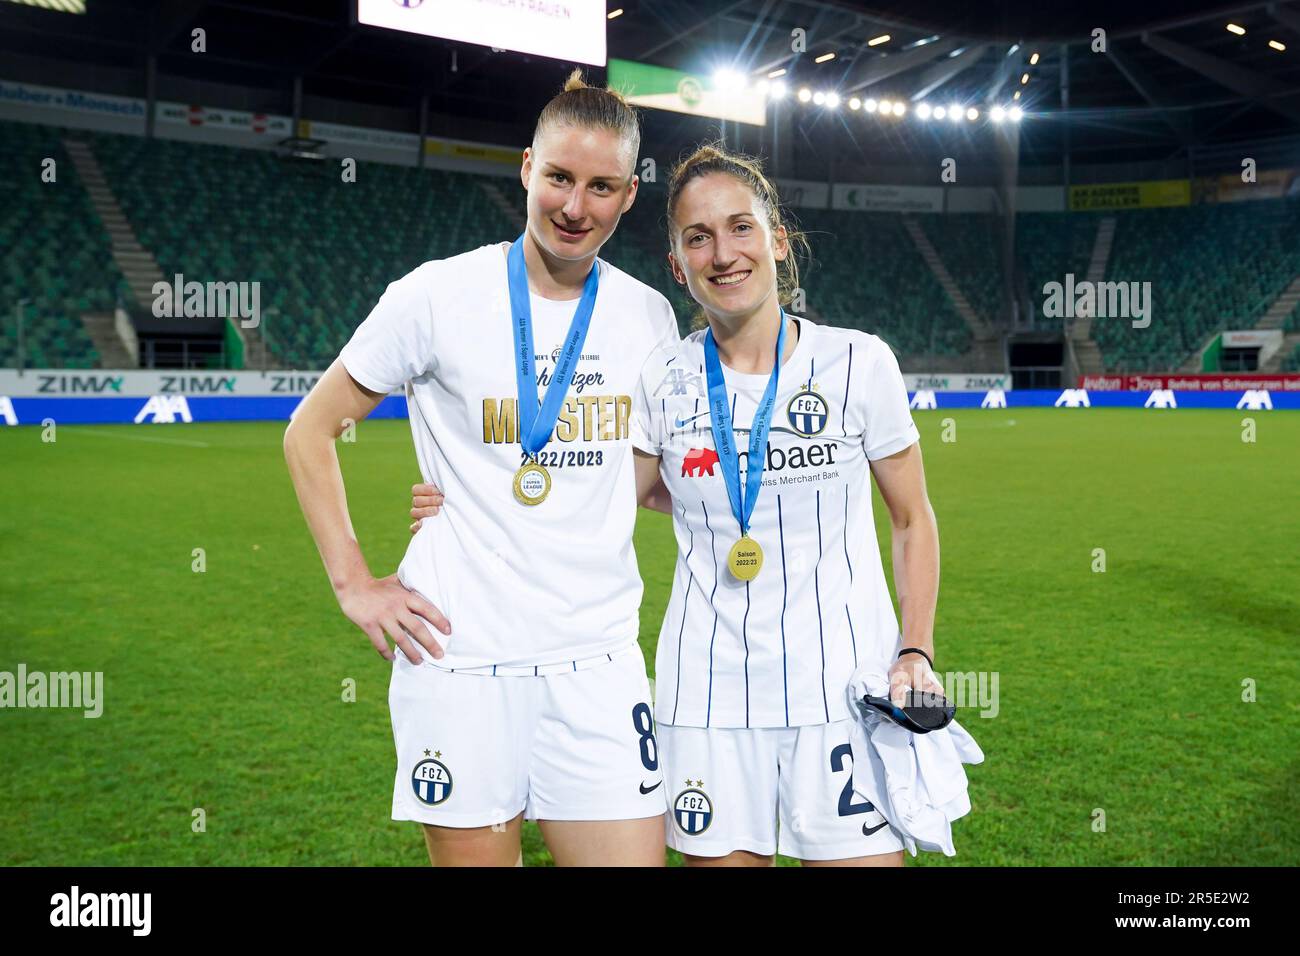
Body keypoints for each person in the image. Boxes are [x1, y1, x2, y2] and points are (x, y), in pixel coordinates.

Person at [413, 143, 946, 867]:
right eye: (698, 237)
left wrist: (914, 650)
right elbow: (597, 499)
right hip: (705, 699)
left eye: (740, 228)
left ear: (778, 240)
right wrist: (470, 498)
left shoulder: (860, 363)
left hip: (841, 691)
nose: (722, 253)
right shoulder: (661, 377)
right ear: (677, 264)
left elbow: (912, 518)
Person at [284, 70, 679, 867]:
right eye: (560, 177)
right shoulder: (435, 295)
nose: (575, 207)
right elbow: (310, 431)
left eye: (601, 186)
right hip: (460, 658)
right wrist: (354, 582)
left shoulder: (648, 315)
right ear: (527, 167)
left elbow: (639, 478)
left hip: (597, 658)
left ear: (630, 195)